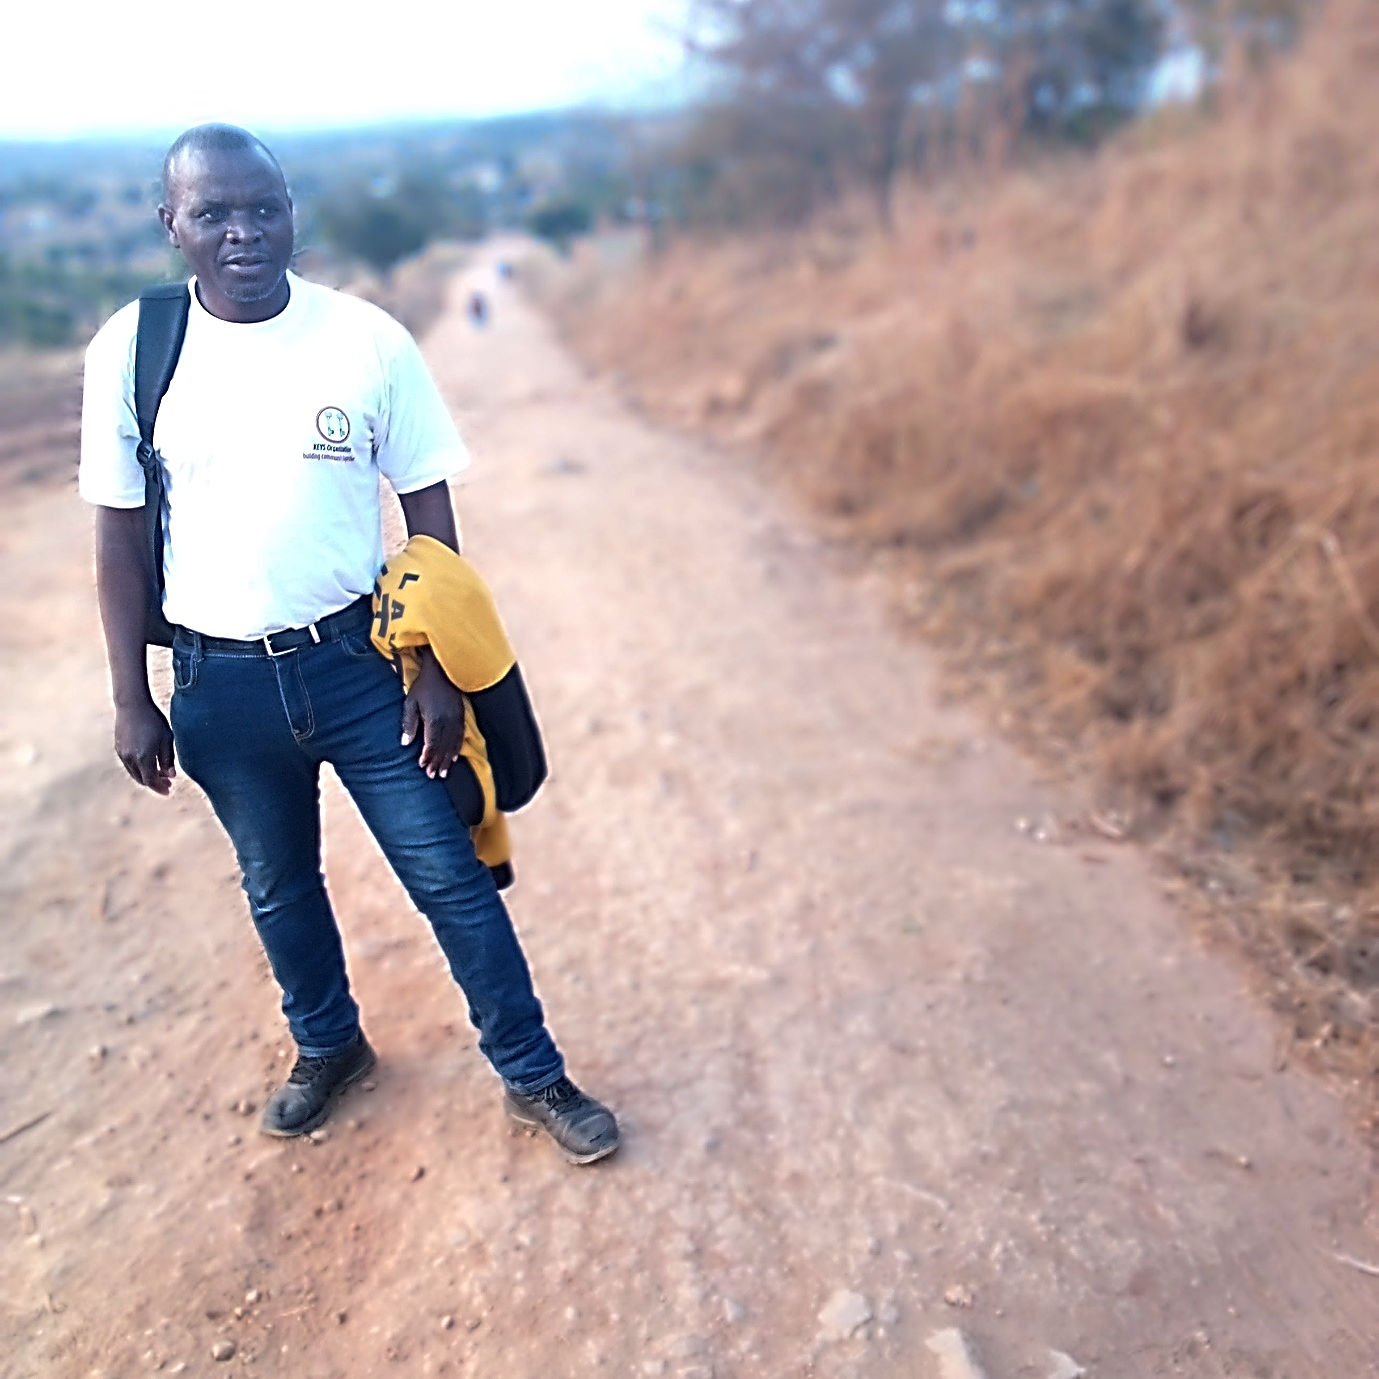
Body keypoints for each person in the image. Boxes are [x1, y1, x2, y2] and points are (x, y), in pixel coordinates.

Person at [78, 124, 619, 1165]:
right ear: (172, 225)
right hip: (216, 682)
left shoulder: (363, 339)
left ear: (292, 211)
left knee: (450, 878)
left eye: (262, 207)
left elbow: (426, 509)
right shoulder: (132, 350)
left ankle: (531, 1070)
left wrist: (431, 671)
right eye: (213, 213)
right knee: (277, 885)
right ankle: (328, 1045)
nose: (243, 231)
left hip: (364, 666)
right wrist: (129, 694)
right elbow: (114, 529)